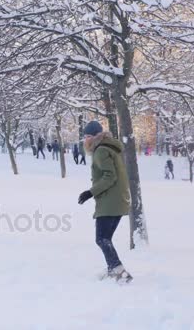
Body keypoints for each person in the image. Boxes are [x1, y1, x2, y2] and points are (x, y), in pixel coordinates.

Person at [77, 121, 132, 283]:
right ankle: (112, 269)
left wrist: (90, 192)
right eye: (84, 136)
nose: (85, 140)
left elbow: (110, 176)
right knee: (105, 238)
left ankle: (120, 272)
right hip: (118, 200)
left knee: (101, 238)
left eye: (87, 136)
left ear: (95, 136)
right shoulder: (109, 148)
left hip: (110, 202)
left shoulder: (100, 151)